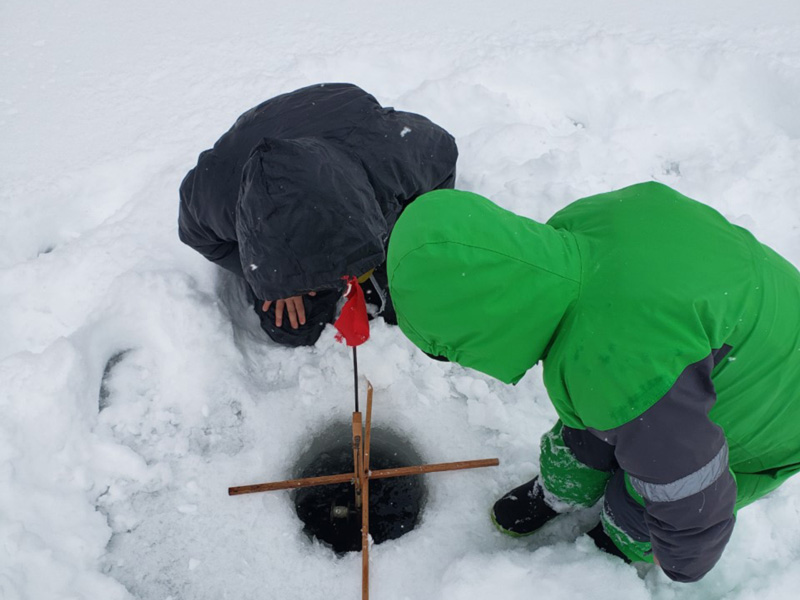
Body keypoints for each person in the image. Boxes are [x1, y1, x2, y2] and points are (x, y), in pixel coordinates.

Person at [385, 182, 800, 582]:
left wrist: (683, 559)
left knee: (648, 483)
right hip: (751, 323)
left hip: (774, 406)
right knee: (600, 413)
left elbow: (690, 489)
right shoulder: (585, 226)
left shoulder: (624, 364)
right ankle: (560, 490)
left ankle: (622, 536)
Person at [179, 83, 457, 346]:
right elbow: (202, 239)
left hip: (342, 115)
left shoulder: (395, 155)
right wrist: (273, 278)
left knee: (401, 302)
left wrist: (403, 242)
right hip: (264, 136)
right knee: (292, 326)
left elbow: (444, 159)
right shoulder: (213, 197)